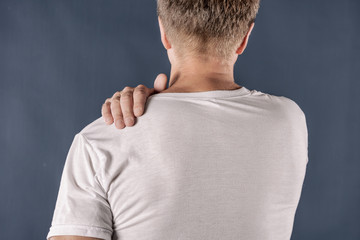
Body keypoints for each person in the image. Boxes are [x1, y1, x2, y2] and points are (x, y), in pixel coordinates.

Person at [47, 0, 309, 239]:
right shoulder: (289, 121)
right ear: (244, 38)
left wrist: (158, 105)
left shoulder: (100, 140)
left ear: (164, 34)